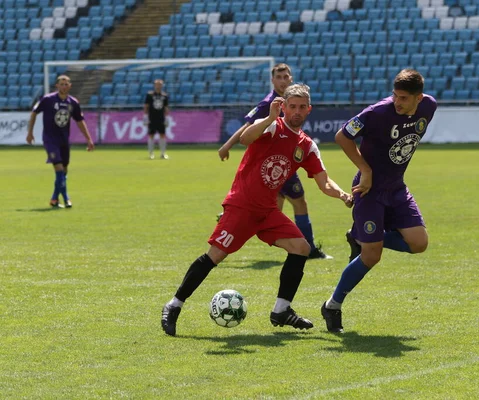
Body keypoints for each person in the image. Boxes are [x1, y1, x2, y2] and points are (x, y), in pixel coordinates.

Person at [161, 84, 353, 336]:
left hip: (267, 212)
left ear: (309, 109)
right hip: (242, 206)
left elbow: (323, 180)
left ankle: (282, 310)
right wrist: (271, 118)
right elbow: (245, 138)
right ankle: (174, 305)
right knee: (215, 256)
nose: (296, 111)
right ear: (283, 106)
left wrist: (341, 194)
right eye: (291, 106)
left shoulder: (307, 146)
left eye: (301, 107)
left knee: (302, 248)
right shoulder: (272, 126)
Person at [321, 69, 437, 333]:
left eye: (404, 98)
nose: (397, 102)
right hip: (369, 190)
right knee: (372, 256)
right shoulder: (377, 112)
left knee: (419, 244)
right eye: (395, 95)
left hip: (396, 188)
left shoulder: (429, 106)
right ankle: (333, 305)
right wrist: (366, 169)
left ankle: (359, 235)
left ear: (419, 98)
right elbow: (342, 136)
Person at [218, 63, 332, 260]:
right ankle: (310, 249)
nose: (283, 80)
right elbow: (247, 127)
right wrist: (227, 145)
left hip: (284, 164)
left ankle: (238, 219)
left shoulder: (291, 101)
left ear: (291, 78)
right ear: (273, 80)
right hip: (273, 167)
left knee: (275, 207)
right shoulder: (268, 104)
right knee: (298, 203)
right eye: (279, 77)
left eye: (286, 77)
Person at [26, 75, 94, 208]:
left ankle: (54, 199)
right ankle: (66, 199)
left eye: (66, 84)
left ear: (70, 86)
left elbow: (80, 121)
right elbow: (34, 113)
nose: (64, 86)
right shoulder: (47, 99)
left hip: (64, 140)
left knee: (64, 171)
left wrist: (88, 139)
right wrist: (30, 132)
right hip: (50, 140)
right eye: (61, 84)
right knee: (59, 168)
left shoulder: (73, 102)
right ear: (57, 86)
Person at [144, 79, 169, 160]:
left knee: (162, 135)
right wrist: (145, 117)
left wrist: (167, 118)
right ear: (154, 85)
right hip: (152, 118)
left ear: (162, 86)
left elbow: (166, 108)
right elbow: (146, 106)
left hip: (161, 118)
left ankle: (163, 153)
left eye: (160, 84)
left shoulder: (165, 96)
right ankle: (151, 154)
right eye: (157, 84)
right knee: (151, 135)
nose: (158, 86)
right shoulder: (149, 95)